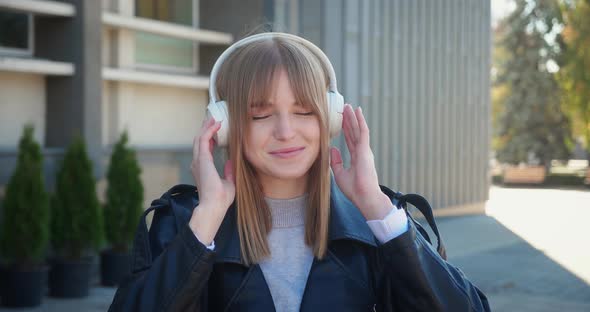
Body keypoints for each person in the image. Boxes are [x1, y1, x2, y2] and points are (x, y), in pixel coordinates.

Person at [108, 32, 490, 311]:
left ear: (331, 118)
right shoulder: (182, 226)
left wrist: (376, 207)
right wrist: (207, 218)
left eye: (305, 111)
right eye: (261, 114)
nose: (286, 131)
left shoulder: (380, 223)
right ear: (223, 125)